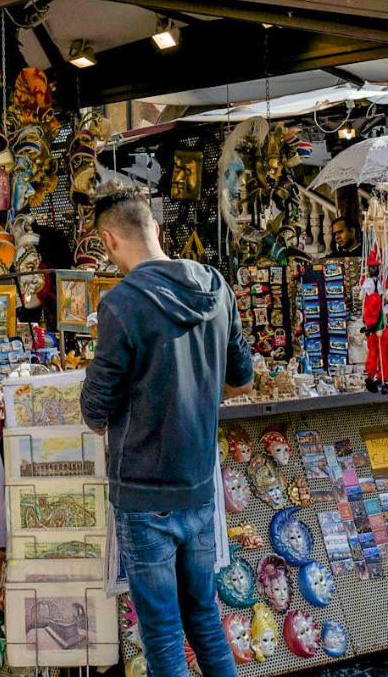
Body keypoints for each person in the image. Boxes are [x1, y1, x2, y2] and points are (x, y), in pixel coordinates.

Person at [80, 183, 253, 677]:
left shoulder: (121, 304)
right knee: (204, 620)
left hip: (144, 495)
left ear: (110, 241)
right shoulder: (217, 287)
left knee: (162, 634)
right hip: (198, 488)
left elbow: (95, 409)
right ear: (157, 229)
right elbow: (242, 380)